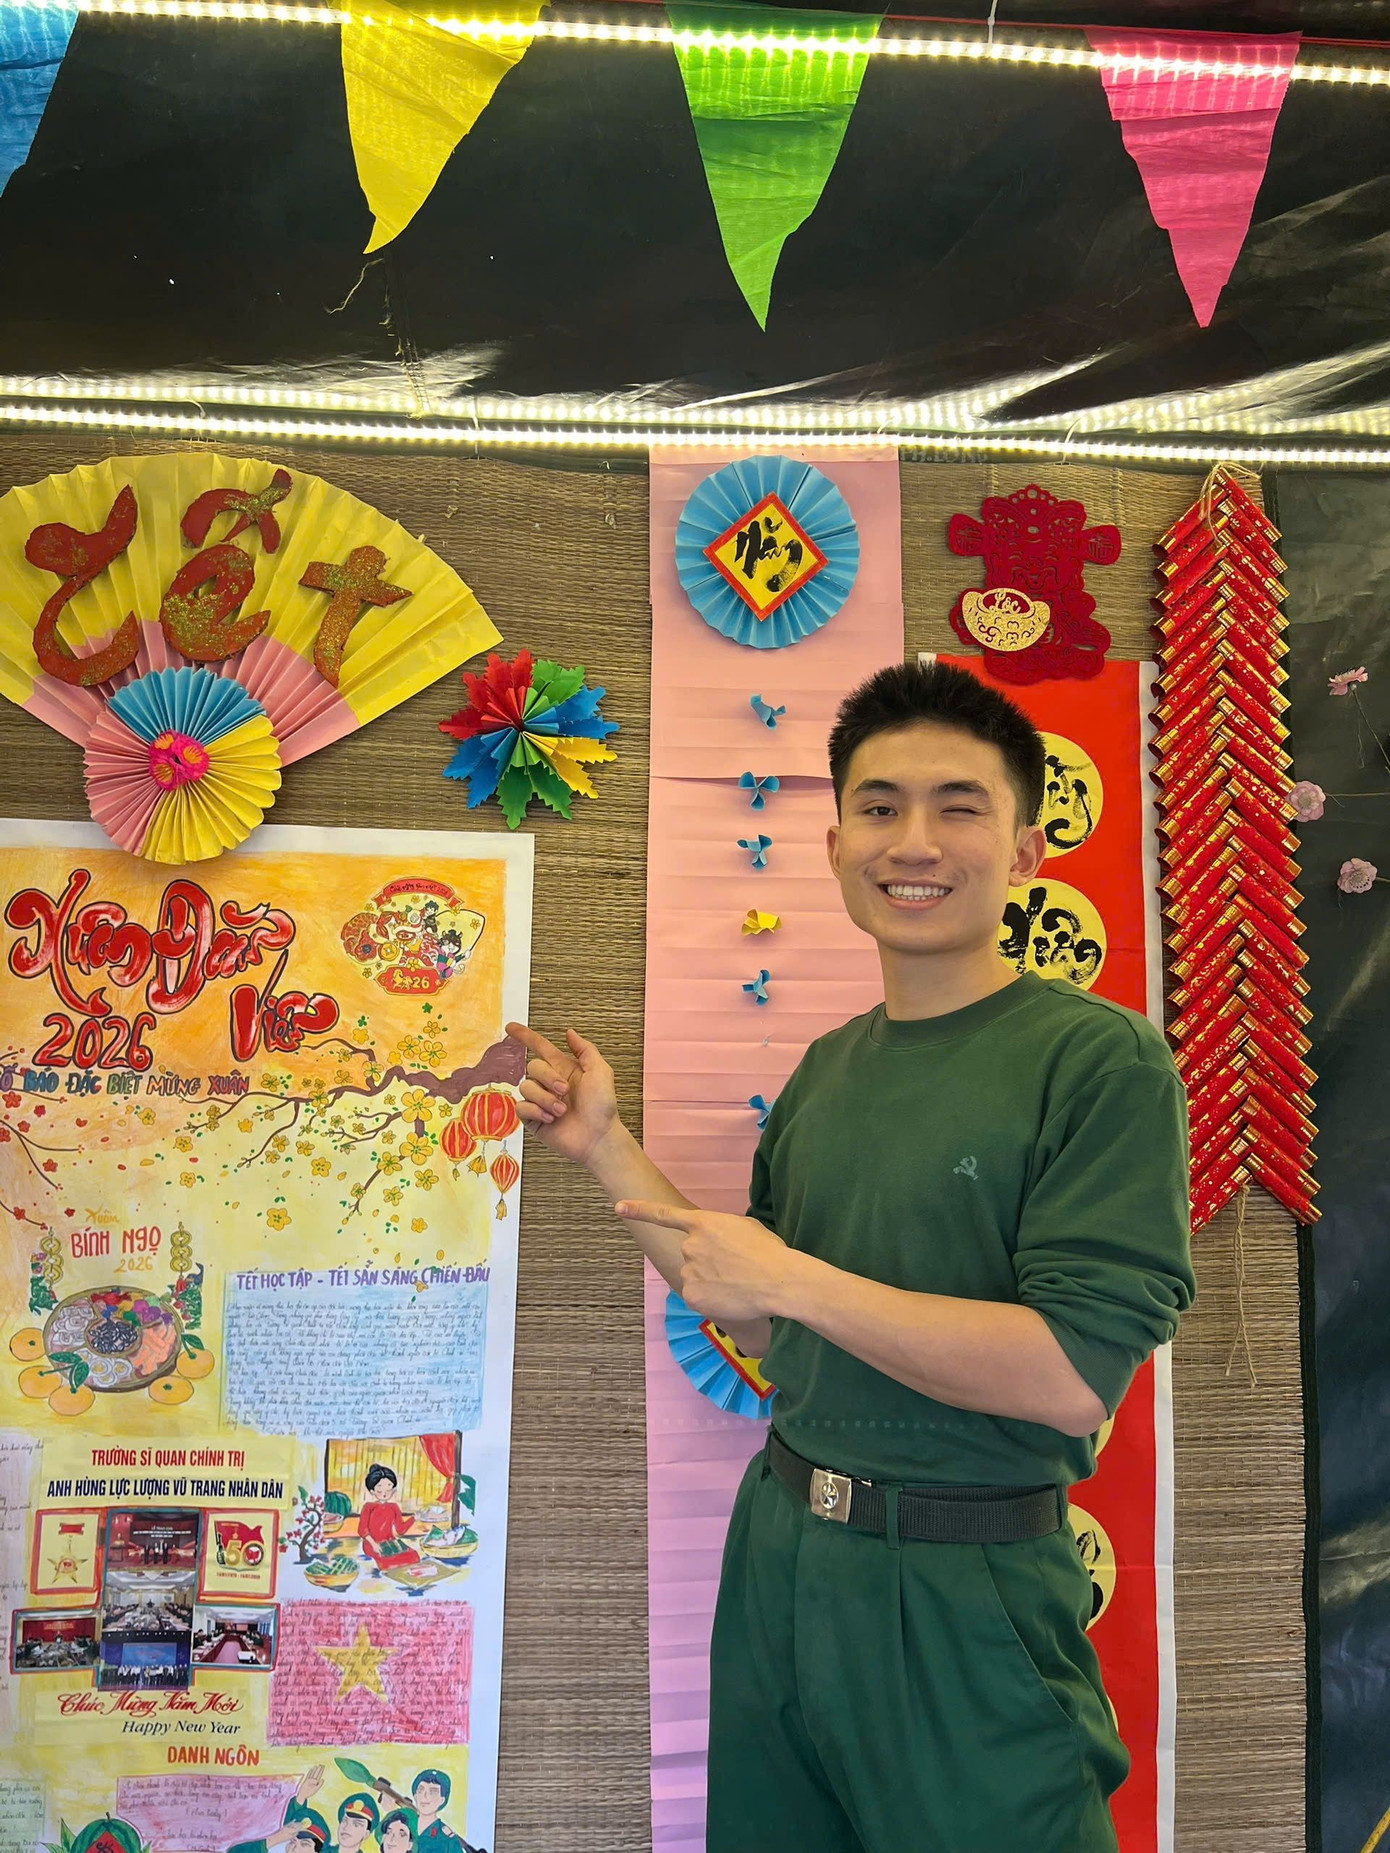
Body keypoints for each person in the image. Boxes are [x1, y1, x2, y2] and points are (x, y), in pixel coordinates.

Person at [510, 659, 1195, 1853]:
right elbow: (763, 1316)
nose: (912, 840)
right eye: (879, 806)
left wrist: (791, 1277)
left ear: (1026, 851)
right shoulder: (828, 1066)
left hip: (963, 1581)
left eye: (956, 806)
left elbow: (1069, 1372)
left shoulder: (1099, 1060)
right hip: (781, 1554)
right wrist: (604, 1144)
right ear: (834, 846)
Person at [357, 1464, 423, 1577]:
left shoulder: (393, 1507)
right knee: (387, 1564)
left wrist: (414, 1518)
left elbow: (400, 1530)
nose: (385, 1493)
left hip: (391, 1541)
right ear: (372, 1490)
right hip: (372, 1543)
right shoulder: (368, 1507)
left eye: (389, 1488)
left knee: (414, 1556)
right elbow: (362, 1530)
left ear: (393, 1489)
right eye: (380, 1489)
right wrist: (374, 1545)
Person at [409, 1770, 467, 1853]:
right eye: (420, 1790)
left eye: (432, 1792)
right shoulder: (404, 1826)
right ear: (415, 1796)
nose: (425, 1796)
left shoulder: (447, 1838)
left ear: (442, 1800)